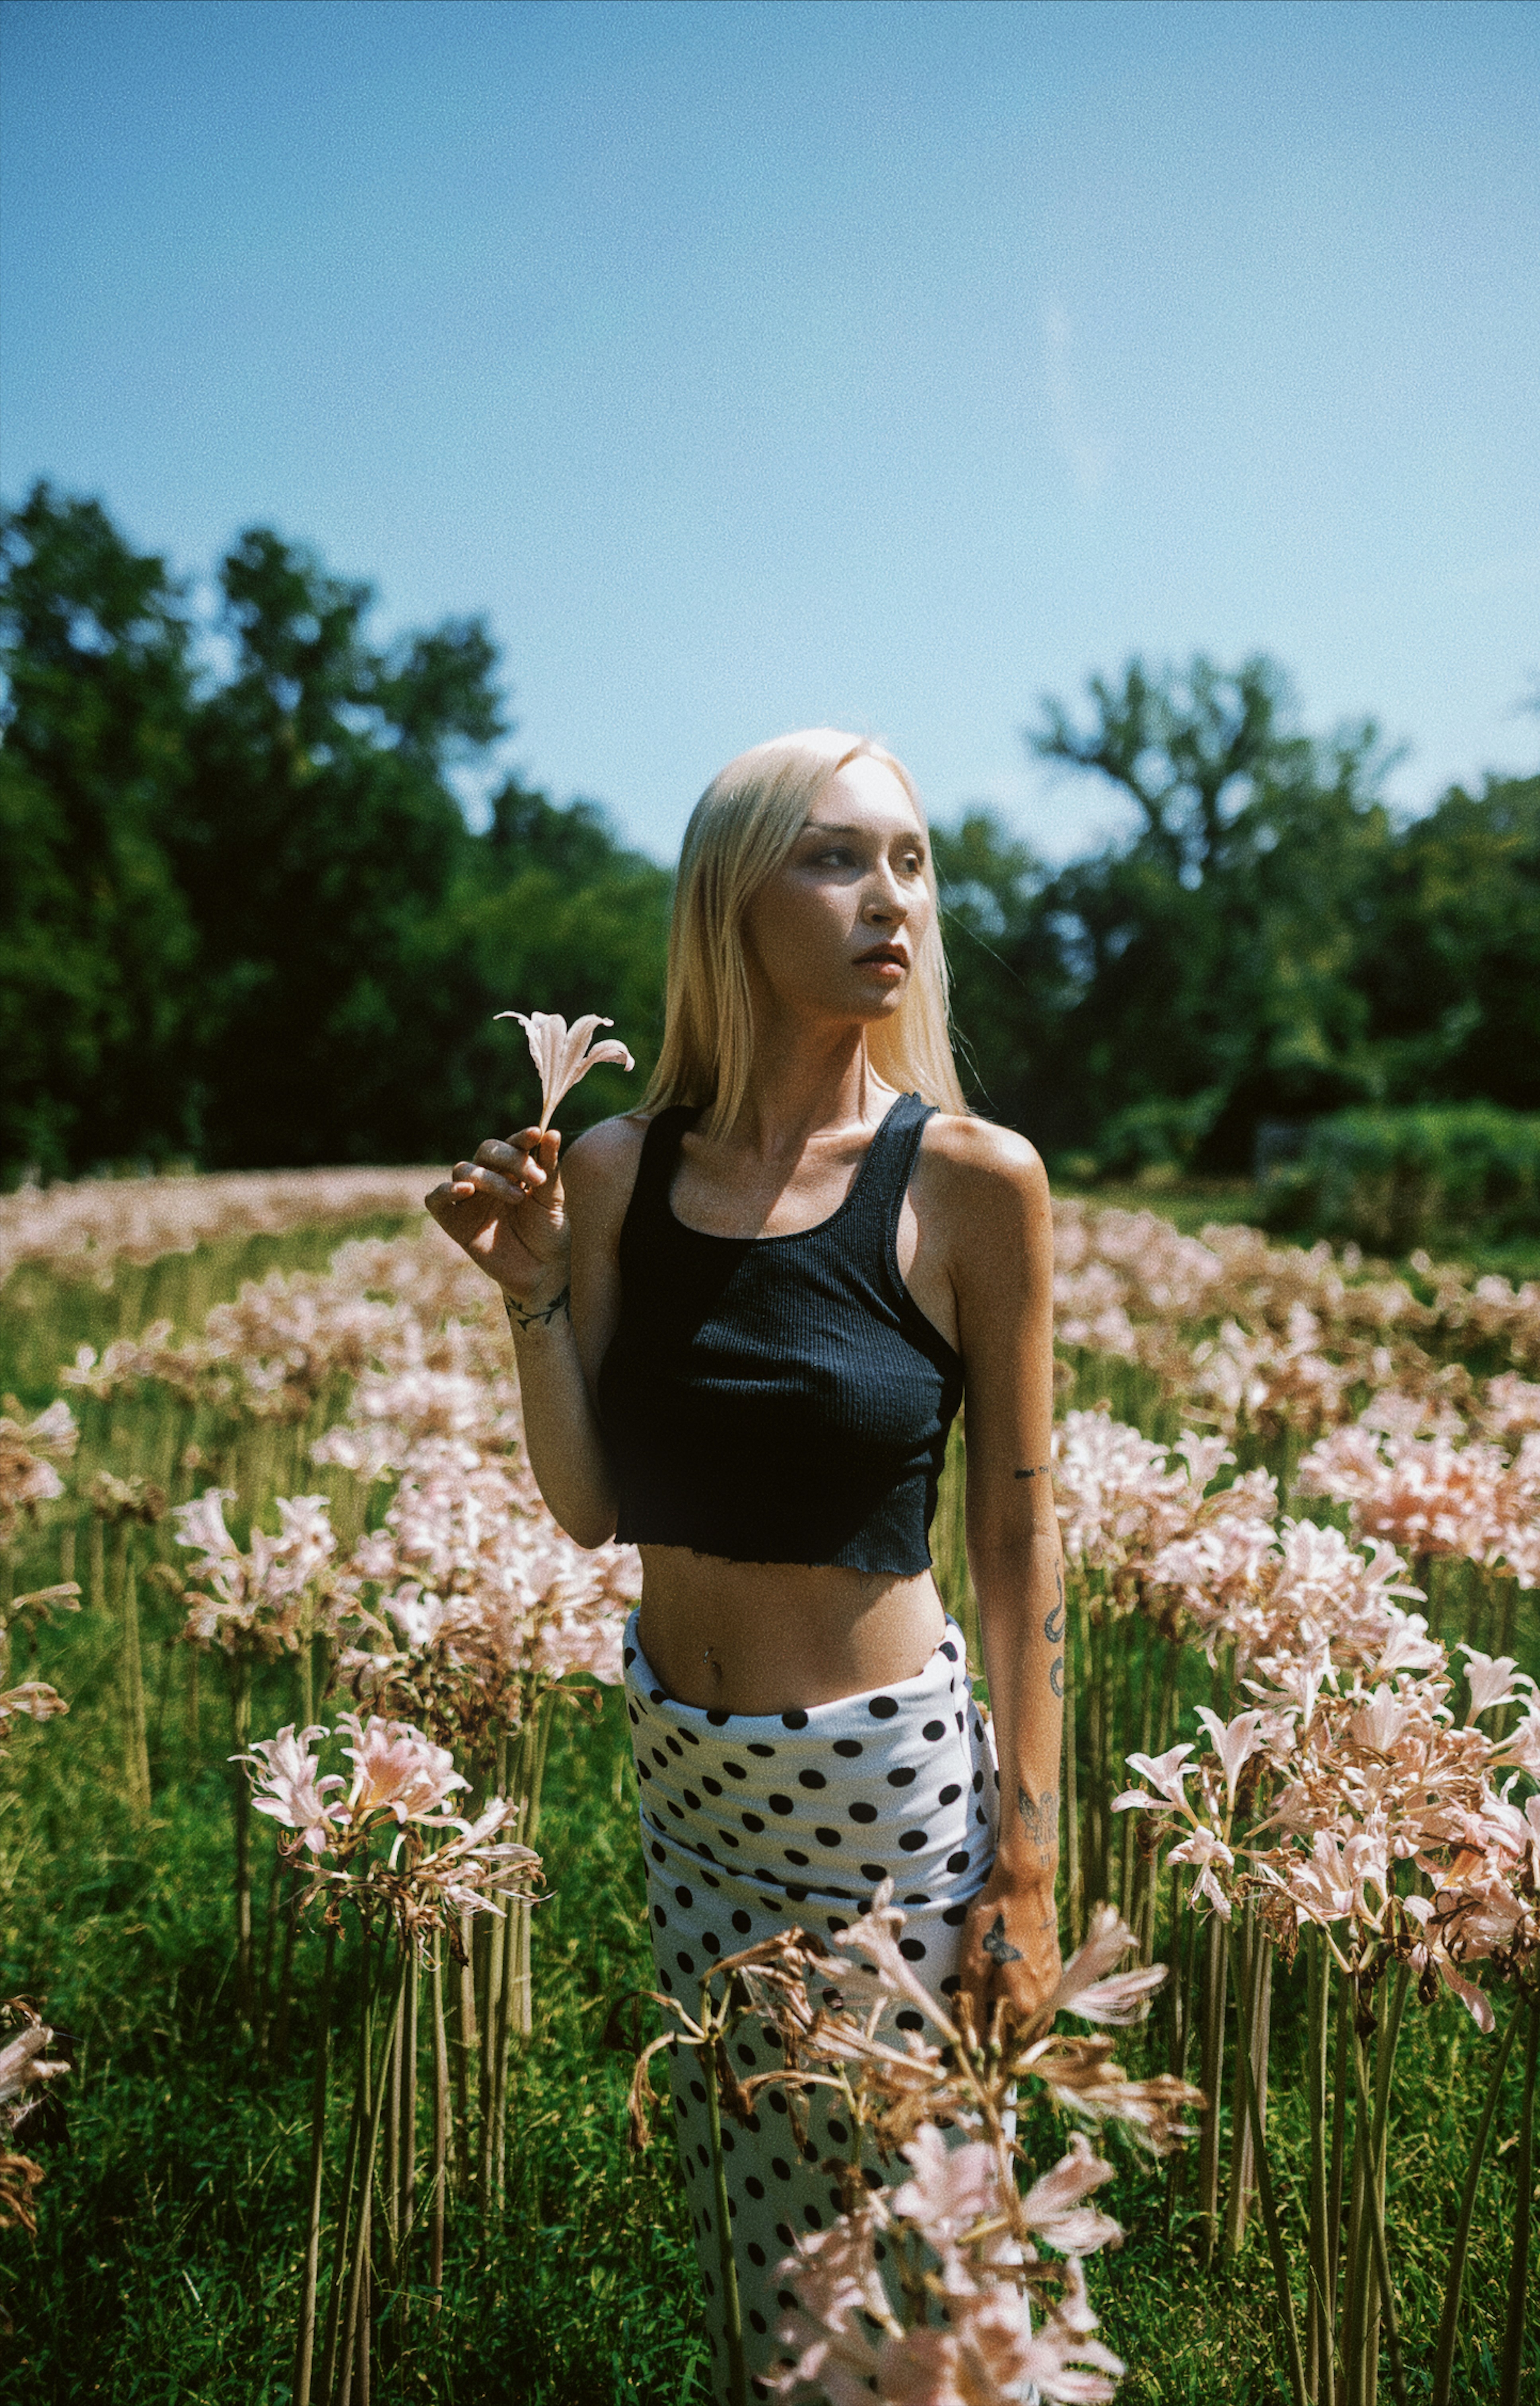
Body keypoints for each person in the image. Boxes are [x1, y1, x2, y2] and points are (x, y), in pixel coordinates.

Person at [426, 730, 1064, 2398]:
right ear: (730, 893)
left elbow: (1016, 1541)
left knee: (921, 2267)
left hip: (890, 1806)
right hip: (687, 1787)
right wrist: (532, 1293)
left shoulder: (975, 1185)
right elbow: (591, 1508)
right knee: (764, 2268)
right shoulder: (625, 1170)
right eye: (837, 858)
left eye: (912, 861)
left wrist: (1030, 1870)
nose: (891, 901)